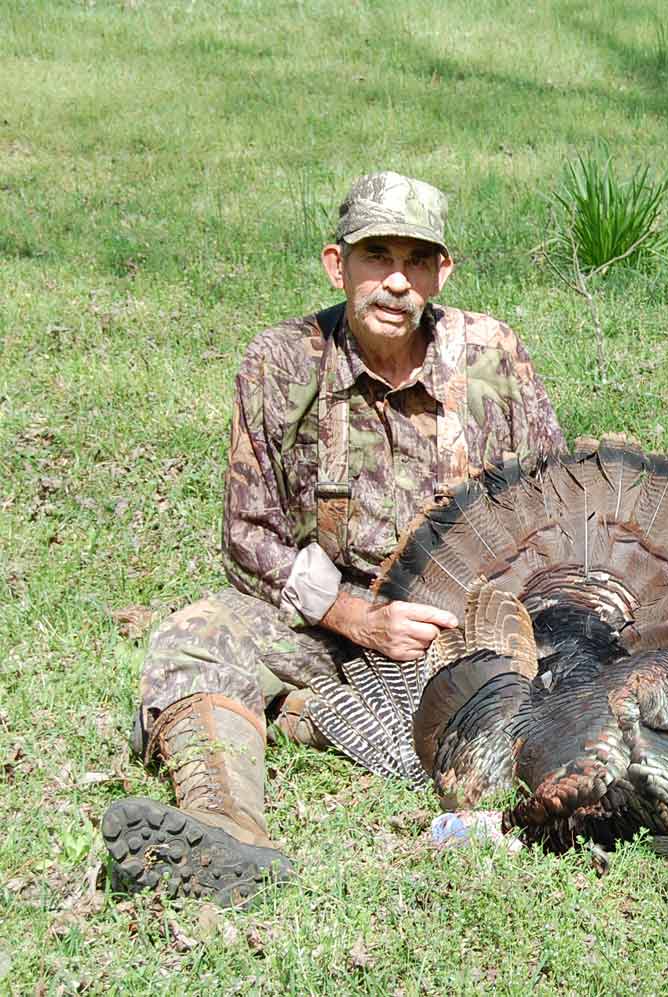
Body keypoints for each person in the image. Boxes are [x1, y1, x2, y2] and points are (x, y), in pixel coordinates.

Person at [101, 172, 565, 905]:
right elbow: (248, 538)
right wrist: (353, 616)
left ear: (442, 272)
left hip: (471, 640)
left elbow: (553, 508)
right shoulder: (283, 363)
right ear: (335, 263)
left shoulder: (492, 359)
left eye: (417, 260)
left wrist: (497, 636)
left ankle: (293, 717)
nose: (395, 281)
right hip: (335, 627)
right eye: (375, 254)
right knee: (194, 636)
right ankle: (224, 829)